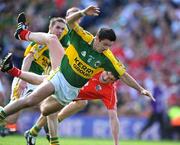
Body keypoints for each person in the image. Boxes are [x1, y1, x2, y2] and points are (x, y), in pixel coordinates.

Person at [0, 5, 154, 145]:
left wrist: (140, 89)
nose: (107, 48)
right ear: (97, 38)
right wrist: (82, 12)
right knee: (30, 99)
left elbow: (125, 75)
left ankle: (33, 131)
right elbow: (69, 21)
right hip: (59, 76)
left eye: (110, 46)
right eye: (105, 44)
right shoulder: (82, 37)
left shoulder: (107, 58)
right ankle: (23, 35)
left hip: (70, 91)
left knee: (47, 111)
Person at [4, 16, 68, 131]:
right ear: (50, 27)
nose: (60, 31)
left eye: (62, 29)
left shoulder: (55, 45)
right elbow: (28, 59)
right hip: (27, 78)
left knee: (50, 106)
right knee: (11, 118)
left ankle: (44, 132)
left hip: (39, 81)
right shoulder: (42, 43)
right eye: (57, 27)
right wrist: (22, 81)